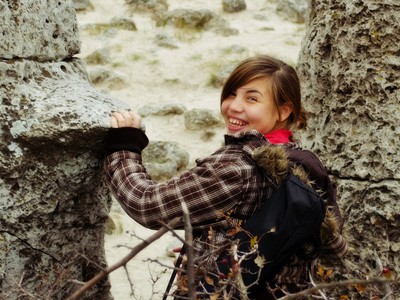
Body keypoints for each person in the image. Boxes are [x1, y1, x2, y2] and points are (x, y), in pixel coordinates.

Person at [103, 55, 347, 299]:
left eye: (252, 98)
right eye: (232, 93)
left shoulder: (237, 168)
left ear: (284, 110)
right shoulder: (304, 162)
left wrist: (123, 146)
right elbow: (331, 246)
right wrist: (207, 246)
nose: (234, 106)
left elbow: (147, 205)